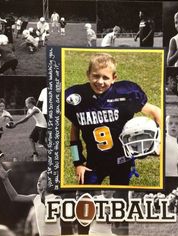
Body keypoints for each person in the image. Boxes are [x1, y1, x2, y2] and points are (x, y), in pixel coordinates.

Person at [65, 53, 161, 185]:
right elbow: (75, 130)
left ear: (114, 78)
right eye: (96, 76)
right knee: (85, 196)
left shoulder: (124, 94)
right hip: (93, 162)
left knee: (120, 195)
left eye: (105, 77)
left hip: (122, 160)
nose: (100, 82)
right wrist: (78, 163)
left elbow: (156, 111)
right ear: (88, 74)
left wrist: (160, 143)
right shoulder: (78, 97)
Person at [0, 164, 61, 236]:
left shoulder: (56, 198)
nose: (39, 181)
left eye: (43, 178)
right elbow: (14, 197)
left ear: (51, 182)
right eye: (38, 179)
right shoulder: (35, 198)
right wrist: (5, 179)